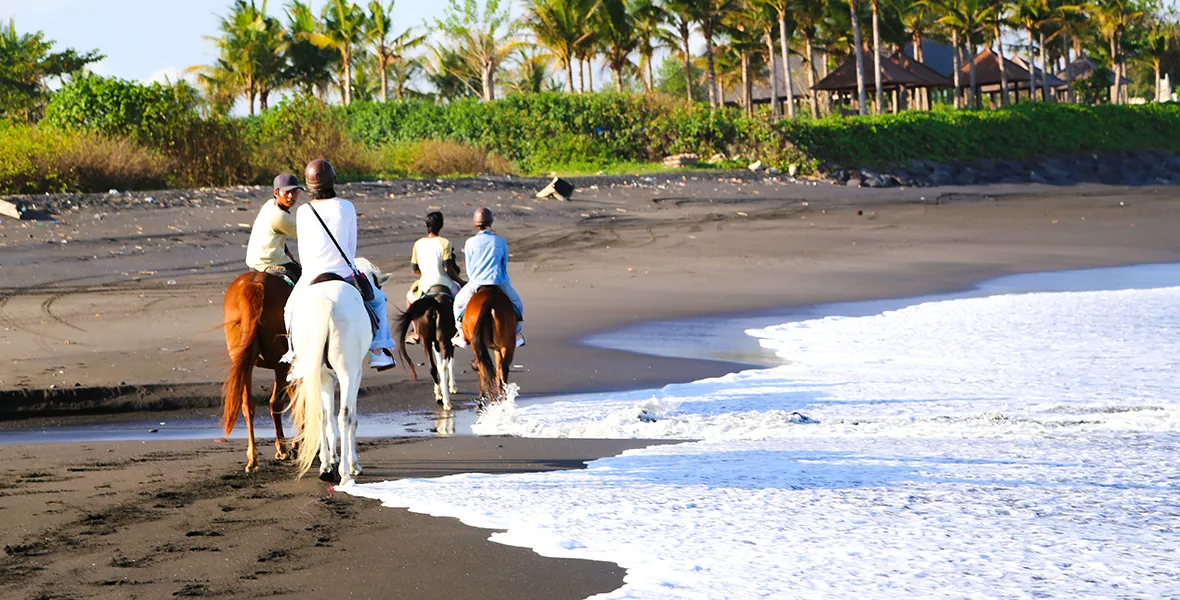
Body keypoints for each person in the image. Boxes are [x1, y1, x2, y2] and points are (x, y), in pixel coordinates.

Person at [283, 159, 396, 370]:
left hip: (312, 275)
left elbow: (303, 250)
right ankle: (378, 352)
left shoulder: (303, 211)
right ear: (332, 181)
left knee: (290, 309)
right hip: (343, 273)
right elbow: (351, 247)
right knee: (379, 301)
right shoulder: (346, 207)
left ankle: (294, 354)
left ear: (309, 186)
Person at [452, 208, 524, 348]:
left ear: (476, 224)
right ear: (490, 222)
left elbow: (469, 267)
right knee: (518, 304)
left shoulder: (470, 242)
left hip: (476, 283)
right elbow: (504, 264)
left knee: (458, 304)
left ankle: (461, 335)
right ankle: (515, 335)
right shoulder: (500, 241)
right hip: (499, 282)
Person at [405, 211, 464, 344]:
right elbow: (448, 269)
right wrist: (460, 281)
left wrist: (426, 272)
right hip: (445, 283)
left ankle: (415, 332)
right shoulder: (445, 243)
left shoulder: (418, 244)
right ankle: (460, 331)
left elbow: (414, 270)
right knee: (462, 300)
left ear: (427, 225)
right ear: (441, 225)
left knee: (409, 299)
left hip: (425, 284)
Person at [245, 173, 303, 285]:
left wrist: (287, 252)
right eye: (286, 192)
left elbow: (276, 231)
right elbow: (306, 236)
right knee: (302, 280)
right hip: (268, 264)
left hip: (253, 261)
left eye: (295, 192)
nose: (291, 196)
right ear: (276, 192)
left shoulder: (269, 204)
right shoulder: (280, 216)